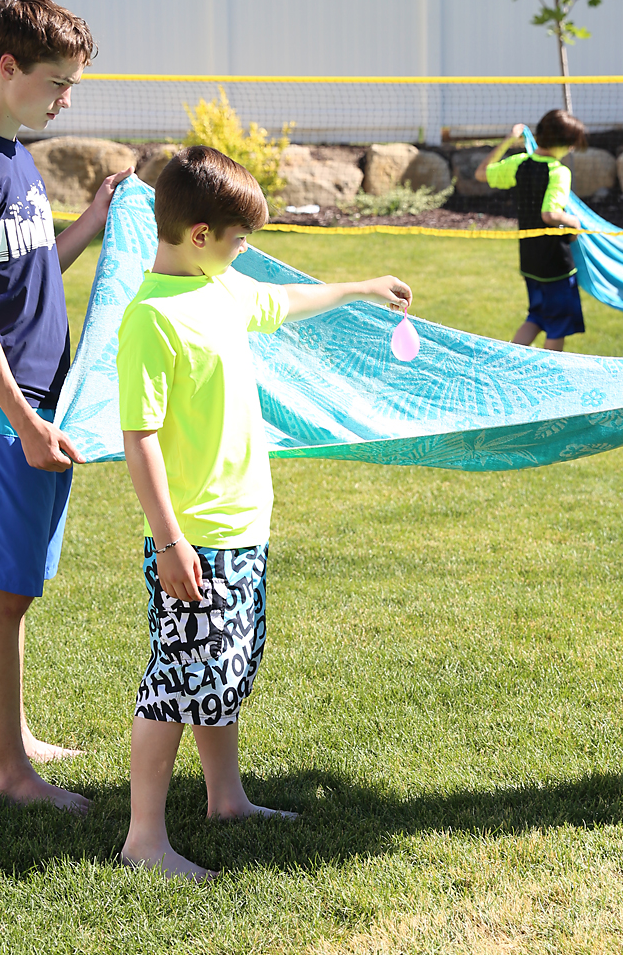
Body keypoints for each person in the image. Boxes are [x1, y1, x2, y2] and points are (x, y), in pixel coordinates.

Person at [116, 145, 411, 879]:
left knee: (224, 669)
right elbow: (139, 437)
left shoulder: (220, 287)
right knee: (176, 680)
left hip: (242, 525)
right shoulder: (153, 319)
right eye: (242, 239)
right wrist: (170, 538)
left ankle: (226, 798)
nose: (248, 253)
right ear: (202, 235)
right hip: (197, 536)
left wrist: (361, 287)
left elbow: (284, 303)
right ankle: (143, 841)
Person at [0, 0, 132, 812]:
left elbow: (37, 265)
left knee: (20, 587)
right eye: (57, 82)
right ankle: (11, 773)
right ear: (6, 68)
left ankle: (17, 737)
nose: (66, 99)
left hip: (44, 405)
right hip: (4, 413)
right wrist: (24, 422)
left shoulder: (15, 155)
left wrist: (93, 221)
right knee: (4, 592)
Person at [474, 109, 586, 351]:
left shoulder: (519, 163)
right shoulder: (559, 171)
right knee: (557, 325)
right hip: (556, 266)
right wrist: (575, 223)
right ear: (563, 144)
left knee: (536, 317)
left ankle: (506, 364)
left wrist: (508, 140)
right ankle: (548, 376)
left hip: (530, 261)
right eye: (571, 144)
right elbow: (550, 214)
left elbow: (481, 173)